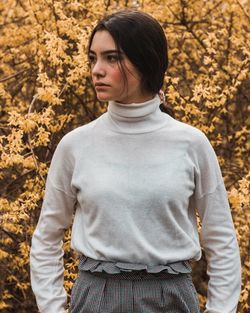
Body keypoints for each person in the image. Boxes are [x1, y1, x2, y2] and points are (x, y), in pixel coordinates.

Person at [30, 9, 241, 313]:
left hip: (172, 299)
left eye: (112, 58)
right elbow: (47, 237)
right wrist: (52, 308)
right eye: (93, 58)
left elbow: (221, 240)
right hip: (95, 297)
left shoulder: (191, 144)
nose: (96, 70)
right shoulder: (76, 145)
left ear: (146, 61)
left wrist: (221, 310)